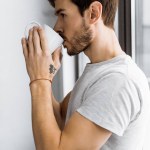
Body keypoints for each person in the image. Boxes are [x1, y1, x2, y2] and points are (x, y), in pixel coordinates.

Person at [21, 0, 150, 149]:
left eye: (63, 15)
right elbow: (61, 120)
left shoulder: (117, 82)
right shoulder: (101, 72)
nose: (57, 27)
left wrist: (39, 80)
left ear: (93, 13)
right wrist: (46, 75)